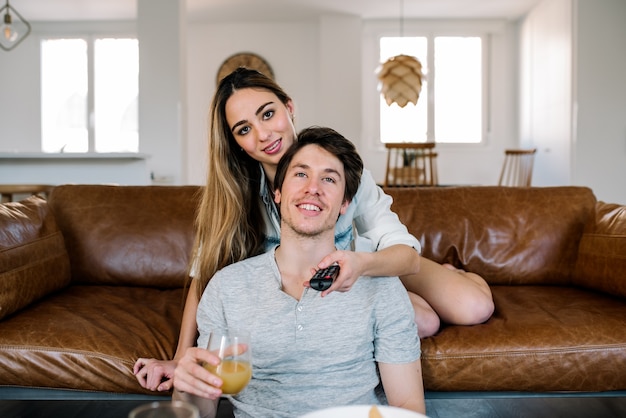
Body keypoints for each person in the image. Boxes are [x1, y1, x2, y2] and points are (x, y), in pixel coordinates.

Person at [133, 67, 493, 392]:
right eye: (245, 129)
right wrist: (182, 357)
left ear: (289, 107)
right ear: (236, 143)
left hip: (371, 263)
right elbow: (206, 275)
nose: (263, 134)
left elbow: (406, 255)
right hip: (334, 288)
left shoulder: (340, 167)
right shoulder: (234, 197)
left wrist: (361, 264)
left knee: (475, 306)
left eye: (268, 114)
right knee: (425, 322)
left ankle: (455, 274)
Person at [172, 126, 425, 417]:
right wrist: (186, 386)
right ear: (277, 193)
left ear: (345, 204)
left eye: (329, 179)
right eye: (301, 174)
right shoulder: (226, 287)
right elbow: (200, 410)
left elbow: (408, 407)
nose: (313, 188)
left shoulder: (381, 286)